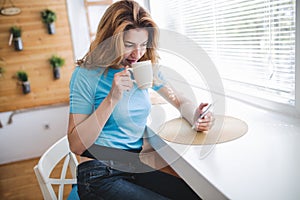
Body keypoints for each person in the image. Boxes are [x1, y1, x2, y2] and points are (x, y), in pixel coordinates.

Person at [67, 0, 213, 199]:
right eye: (129, 45)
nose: (138, 53)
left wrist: (196, 116)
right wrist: (112, 98)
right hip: (99, 175)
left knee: (196, 196)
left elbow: (180, 101)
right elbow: (76, 145)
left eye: (143, 45)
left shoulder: (143, 68)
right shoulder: (86, 74)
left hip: (133, 167)